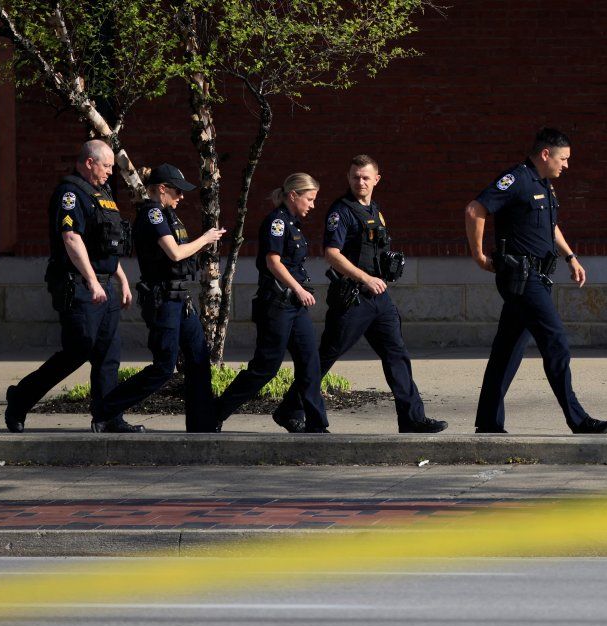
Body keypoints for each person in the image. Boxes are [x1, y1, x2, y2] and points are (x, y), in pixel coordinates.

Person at [464, 128, 607, 434]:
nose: (567, 165)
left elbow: (550, 226)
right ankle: (578, 419)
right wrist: (480, 257)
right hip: (522, 276)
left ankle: (488, 424)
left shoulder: (544, 185)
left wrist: (570, 257)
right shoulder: (517, 180)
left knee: (506, 350)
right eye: (564, 158)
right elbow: (474, 209)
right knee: (556, 342)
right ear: (545, 154)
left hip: (536, 276)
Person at [4, 139, 140, 433]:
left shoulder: (101, 193)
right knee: (78, 349)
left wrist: (122, 280)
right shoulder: (71, 193)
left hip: (105, 286)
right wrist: (92, 282)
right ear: (89, 162)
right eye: (106, 166)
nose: (109, 173)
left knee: (108, 353)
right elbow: (71, 239)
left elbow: (104, 245)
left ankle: (107, 416)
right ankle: (20, 398)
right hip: (80, 286)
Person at [316, 155, 447, 433]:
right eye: (355, 177)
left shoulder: (374, 210)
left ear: (377, 179)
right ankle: (292, 408)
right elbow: (331, 253)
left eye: (365, 177)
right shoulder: (341, 211)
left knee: (396, 354)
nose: (360, 182)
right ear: (348, 178)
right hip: (353, 297)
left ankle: (412, 419)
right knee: (328, 354)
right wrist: (365, 278)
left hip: (379, 298)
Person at [90, 164, 225, 432]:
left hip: (181, 299)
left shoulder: (167, 214)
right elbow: (174, 253)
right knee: (164, 368)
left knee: (198, 358)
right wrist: (206, 239)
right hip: (164, 301)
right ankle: (105, 411)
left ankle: (201, 424)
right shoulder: (152, 214)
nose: (181, 197)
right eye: (177, 191)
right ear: (161, 189)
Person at [214, 173, 329, 433]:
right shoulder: (277, 222)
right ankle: (214, 413)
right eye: (309, 199)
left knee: (310, 363)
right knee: (265, 368)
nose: (312, 204)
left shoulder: (294, 224)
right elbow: (273, 262)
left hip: (295, 306)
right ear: (293, 195)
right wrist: (298, 289)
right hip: (277, 304)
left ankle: (316, 425)